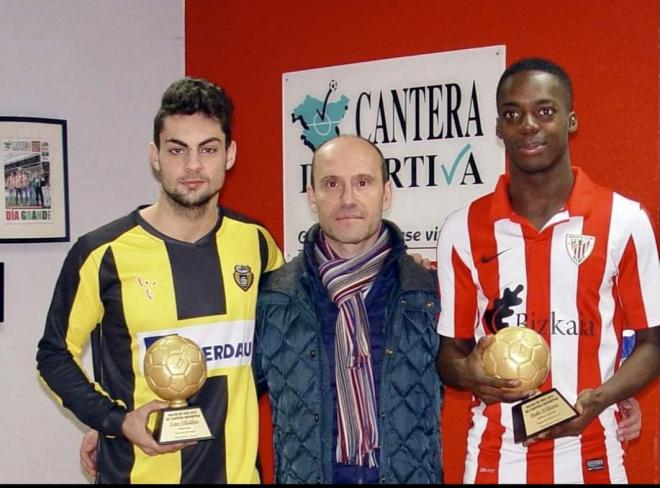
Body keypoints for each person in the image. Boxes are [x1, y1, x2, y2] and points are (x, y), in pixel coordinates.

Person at [36, 77, 283, 484]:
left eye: (208, 149)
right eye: (177, 150)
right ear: (155, 156)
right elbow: (53, 354)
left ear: (230, 154)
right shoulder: (103, 253)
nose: (192, 166)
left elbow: (297, 327)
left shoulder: (256, 244)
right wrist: (114, 420)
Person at [435, 57, 660, 484]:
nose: (528, 125)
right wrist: (466, 372)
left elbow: (654, 342)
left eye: (544, 111)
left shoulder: (625, 221)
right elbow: (451, 351)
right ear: (498, 128)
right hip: (495, 458)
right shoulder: (462, 229)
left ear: (571, 120)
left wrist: (602, 399)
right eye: (512, 113)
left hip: (592, 450)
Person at [253, 134, 443, 484]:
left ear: (386, 193)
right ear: (312, 196)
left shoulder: (429, 292)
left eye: (362, 182)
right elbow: (231, 398)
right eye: (331, 184)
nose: (348, 199)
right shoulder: (273, 297)